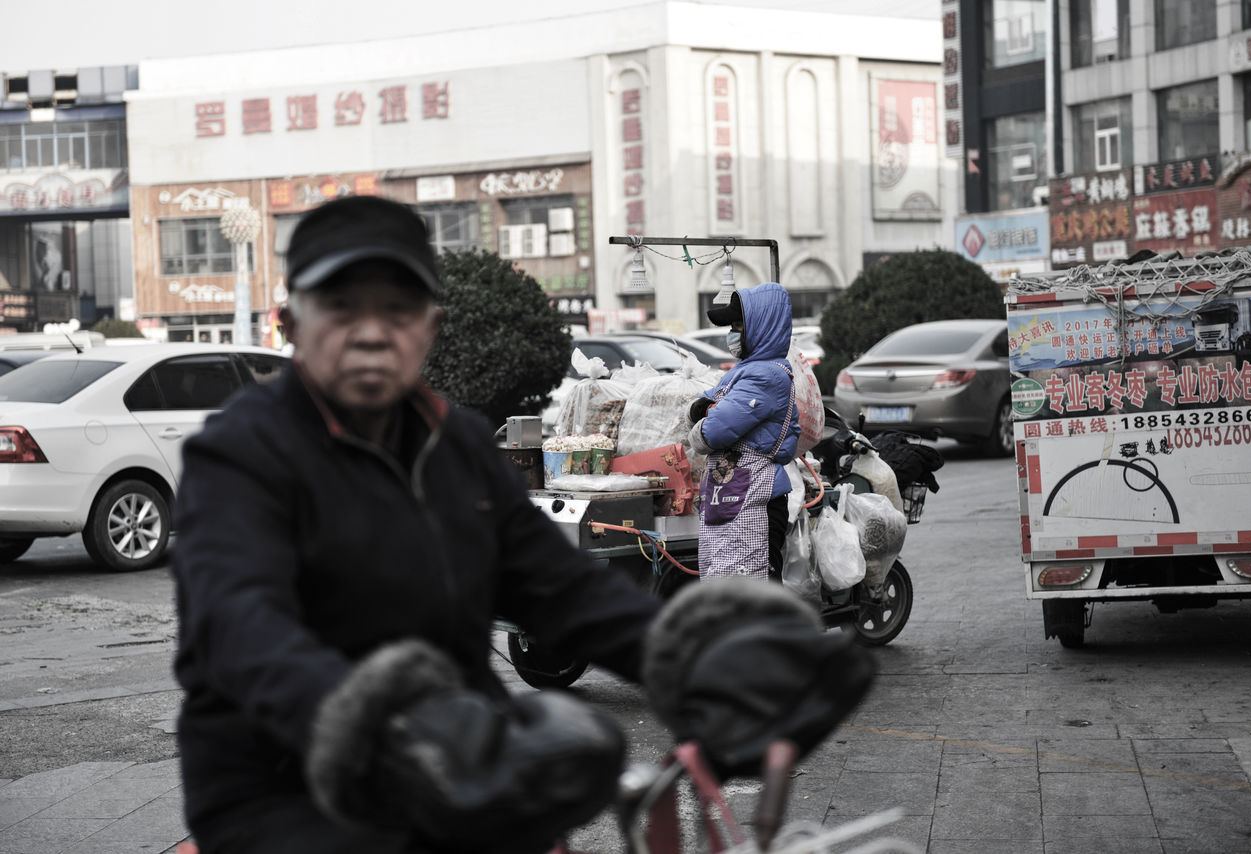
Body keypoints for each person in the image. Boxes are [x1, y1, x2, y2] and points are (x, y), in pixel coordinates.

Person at [171, 196, 871, 854]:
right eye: (340, 306)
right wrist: (377, 723)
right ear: (291, 323)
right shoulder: (240, 454)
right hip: (281, 789)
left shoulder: (458, 449)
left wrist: (697, 660)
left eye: (398, 307)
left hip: (456, 763)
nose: (371, 332)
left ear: (430, 328)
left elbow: (565, 589)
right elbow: (241, 625)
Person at [687, 283, 801, 582]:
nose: (733, 334)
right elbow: (700, 408)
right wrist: (705, 411)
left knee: (753, 596)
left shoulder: (766, 374)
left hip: (755, 501)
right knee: (727, 594)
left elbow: (711, 433)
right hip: (732, 496)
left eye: (739, 325)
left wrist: (703, 416)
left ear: (762, 327)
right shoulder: (747, 370)